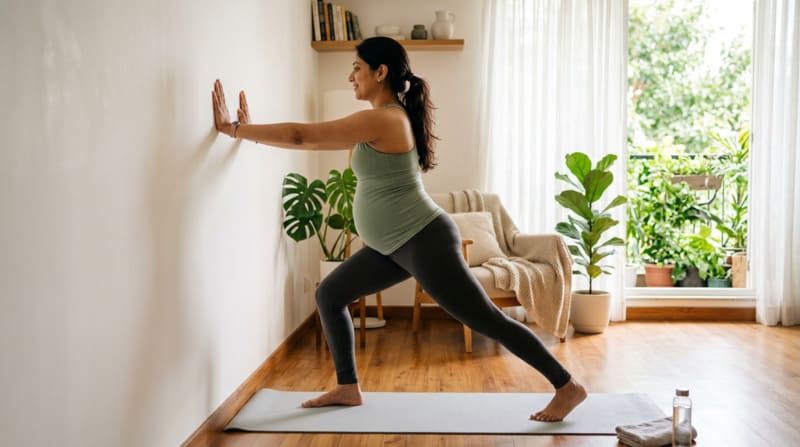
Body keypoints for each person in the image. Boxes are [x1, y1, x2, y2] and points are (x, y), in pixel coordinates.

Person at [211, 36, 586, 422]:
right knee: (330, 295)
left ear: (381, 71)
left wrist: (235, 129)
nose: (350, 76)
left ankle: (566, 385)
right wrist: (250, 130)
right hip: (393, 245)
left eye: (357, 67)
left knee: (485, 318)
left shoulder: (386, 118)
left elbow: (301, 136)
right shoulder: (381, 118)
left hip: (423, 239)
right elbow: (308, 142)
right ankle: (347, 386)